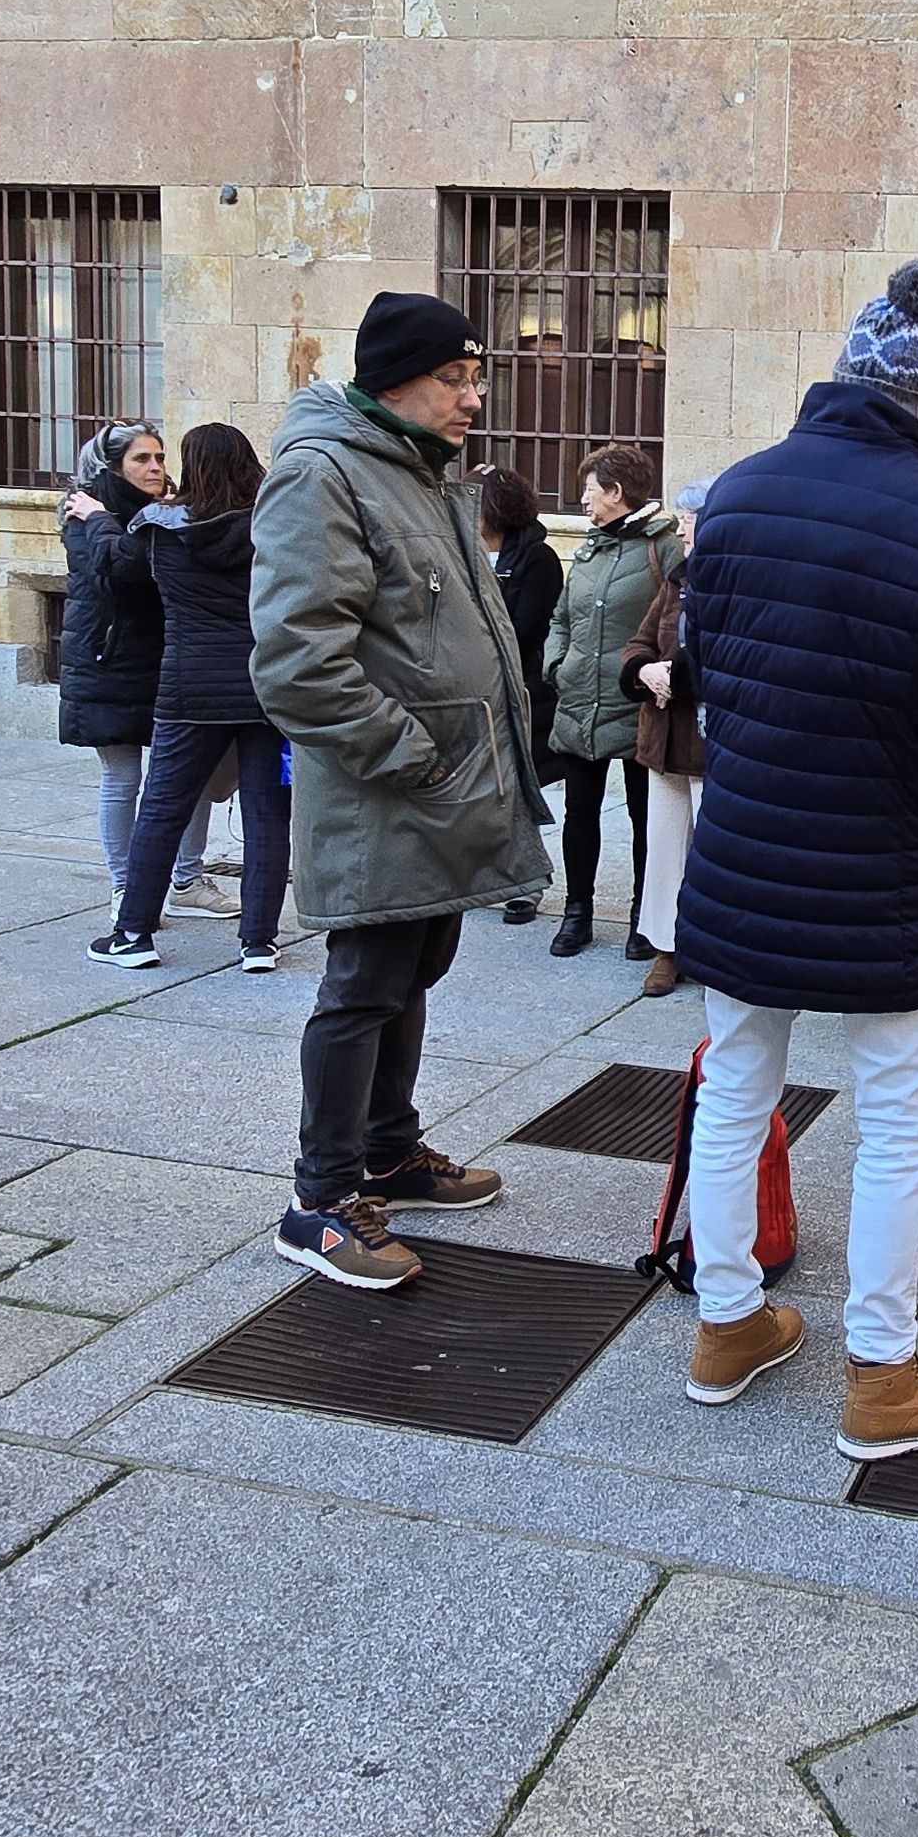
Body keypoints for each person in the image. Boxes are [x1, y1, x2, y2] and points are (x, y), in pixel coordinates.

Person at [669, 258, 918, 1460]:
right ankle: (881, 1376)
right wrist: (905, 717)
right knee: (896, 1115)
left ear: (842, 376)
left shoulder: (736, 492)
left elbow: (708, 668)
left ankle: (727, 1323)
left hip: (741, 841)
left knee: (734, 1088)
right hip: (877, 857)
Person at [250, 299, 554, 1290]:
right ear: (395, 380)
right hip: (391, 789)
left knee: (416, 960)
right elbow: (298, 662)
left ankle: (388, 1149)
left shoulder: (424, 473)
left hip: (443, 784)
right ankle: (320, 1199)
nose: (475, 397)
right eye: (456, 377)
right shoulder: (323, 471)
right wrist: (414, 756)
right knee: (362, 985)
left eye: (478, 377)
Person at [87, 423, 292, 974]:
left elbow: (118, 562)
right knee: (268, 816)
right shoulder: (273, 527)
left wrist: (97, 519)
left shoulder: (161, 530)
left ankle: (133, 933)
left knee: (162, 810)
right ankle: (259, 943)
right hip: (265, 690)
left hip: (189, 690)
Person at [59, 425, 232, 924]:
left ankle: (187, 879)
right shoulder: (84, 513)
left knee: (190, 773)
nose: (156, 467)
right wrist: (120, 524)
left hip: (168, 658)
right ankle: (124, 886)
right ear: (114, 467)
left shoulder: (168, 511)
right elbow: (126, 575)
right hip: (109, 662)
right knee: (122, 776)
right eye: (142, 460)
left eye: (160, 457)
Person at [542, 445, 684, 962]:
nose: (582, 499)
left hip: (638, 706)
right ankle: (576, 912)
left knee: (649, 820)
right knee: (579, 812)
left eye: (590, 489)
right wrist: (557, 664)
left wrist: (657, 674)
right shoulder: (589, 549)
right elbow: (561, 617)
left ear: (616, 492)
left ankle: (642, 923)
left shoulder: (664, 547)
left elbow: (678, 618)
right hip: (580, 702)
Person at [620, 476, 711, 1001]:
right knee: (665, 848)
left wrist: (675, 674)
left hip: (710, 741)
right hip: (664, 737)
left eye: (688, 520)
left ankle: (712, 946)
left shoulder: (733, 582)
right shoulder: (675, 580)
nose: (679, 528)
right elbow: (638, 640)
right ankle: (666, 948)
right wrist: (643, 671)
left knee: (714, 851)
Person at [477, 463, 565, 928]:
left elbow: (527, 629)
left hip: (518, 691)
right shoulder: (461, 553)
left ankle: (527, 883)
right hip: (468, 691)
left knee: (514, 791)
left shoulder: (537, 559)